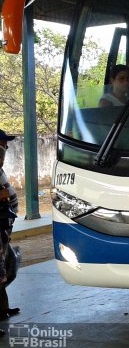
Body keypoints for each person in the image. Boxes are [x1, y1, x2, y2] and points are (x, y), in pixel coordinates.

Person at [0, 129, 19, 327]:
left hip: (4, 228)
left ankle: (3, 309)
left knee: (7, 266)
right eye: (3, 143)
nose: (6, 146)